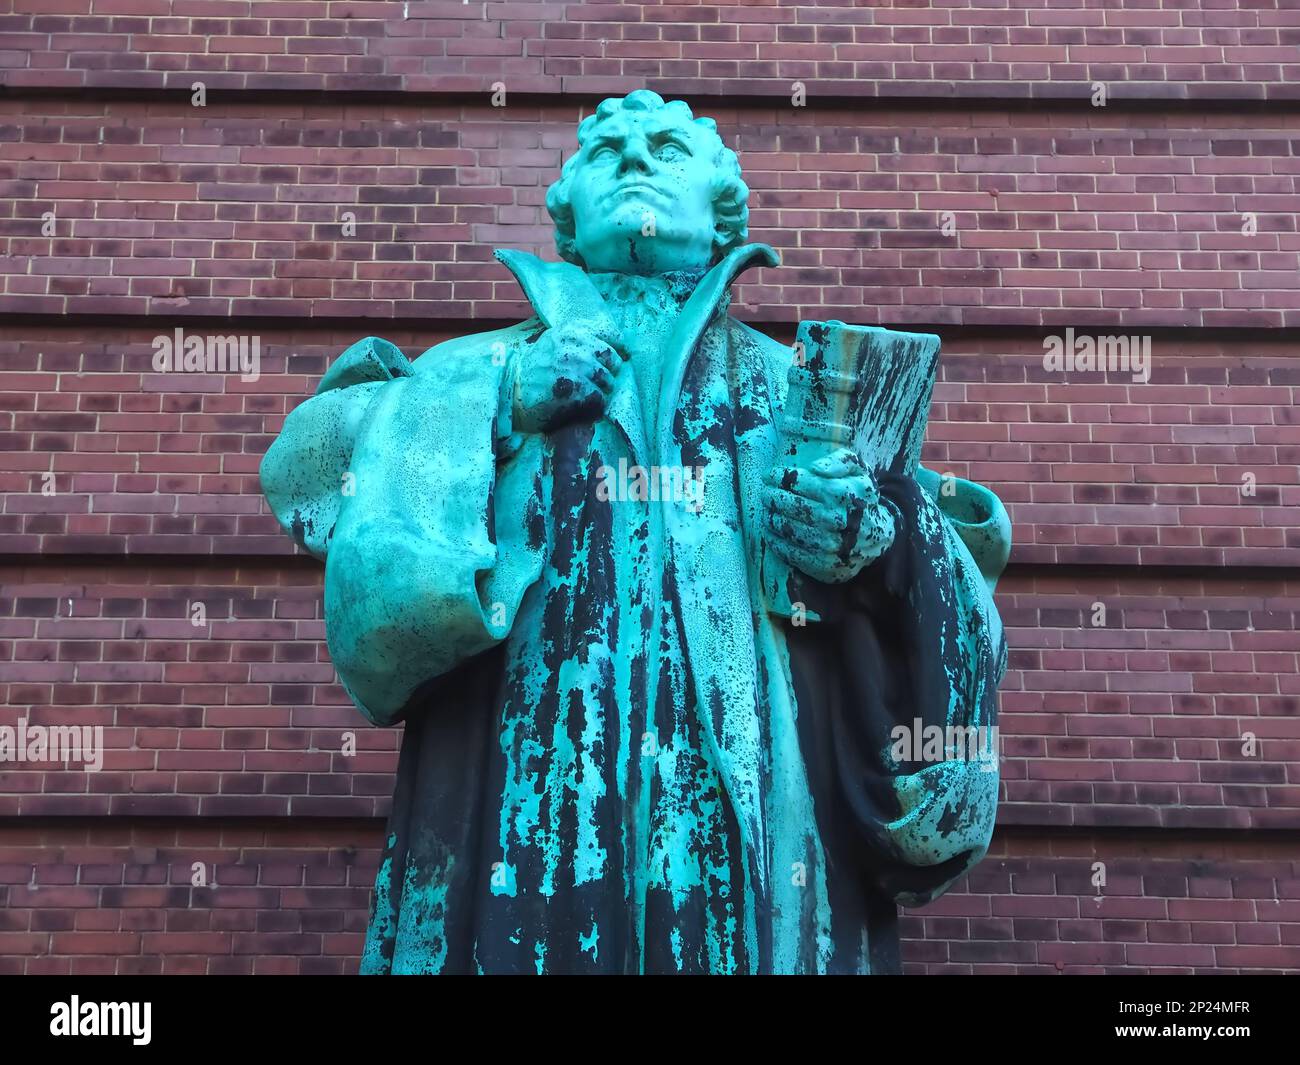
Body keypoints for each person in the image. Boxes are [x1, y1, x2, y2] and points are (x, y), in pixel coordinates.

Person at [261, 90, 1011, 974]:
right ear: (568, 214)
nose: (633, 157)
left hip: (750, 817)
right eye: (606, 148)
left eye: (665, 146)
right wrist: (499, 395)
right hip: (525, 789)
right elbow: (304, 472)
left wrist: (878, 543)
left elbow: (959, 572)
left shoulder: (802, 397)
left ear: (723, 210)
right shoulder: (481, 364)